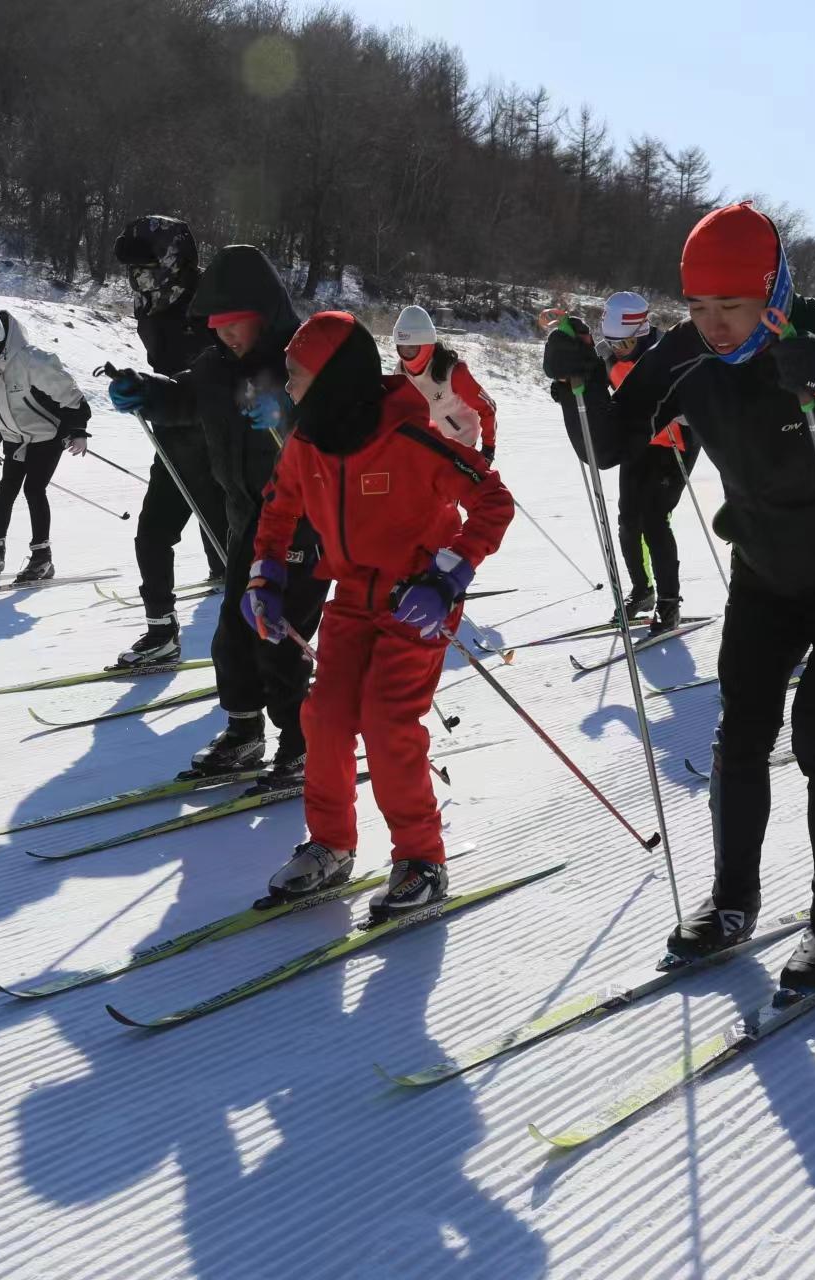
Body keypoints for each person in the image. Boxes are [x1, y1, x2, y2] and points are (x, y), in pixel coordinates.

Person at [542, 202, 815, 994]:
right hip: (766, 570)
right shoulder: (686, 355)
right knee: (740, 733)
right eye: (698, 307)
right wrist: (576, 383)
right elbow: (609, 445)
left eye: (733, 306)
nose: (714, 326)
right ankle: (731, 903)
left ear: (774, 292)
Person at [250, 312, 513, 919]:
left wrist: (449, 576)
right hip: (351, 597)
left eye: (296, 373)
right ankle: (331, 845)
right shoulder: (308, 443)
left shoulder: (409, 438)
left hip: (416, 600)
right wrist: (266, 578)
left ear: (333, 377)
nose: (288, 384)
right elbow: (278, 508)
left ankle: (422, 859)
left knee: (387, 720)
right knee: (325, 717)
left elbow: (493, 500)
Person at [106, 245, 324, 784]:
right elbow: (184, 398)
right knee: (232, 635)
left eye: (236, 323)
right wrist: (146, 393)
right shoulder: (214, 368)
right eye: (217, 325)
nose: (226, 335)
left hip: (302, 526)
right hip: (246, 522)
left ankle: (301, 744)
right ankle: (244, 732)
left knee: (279, 640)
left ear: (264, 315)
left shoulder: (303, 363)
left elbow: (341, 421)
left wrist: (289, 411)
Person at [108, 216, 229, 667]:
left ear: (174, 261)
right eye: (132, 269)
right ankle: (161, 633)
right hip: (174, 438)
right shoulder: (150, 305)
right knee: (152, 534)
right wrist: (146, 389)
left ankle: (266, 640)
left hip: (223, 440)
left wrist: (159, 392)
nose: (137, 278)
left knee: (233, 541)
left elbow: (220, 381)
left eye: (146, 267)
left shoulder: (213, 303)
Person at [0, 308, 91, 585]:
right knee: (6, 488)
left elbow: (70, 395)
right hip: (14, 437)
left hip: (47, 435)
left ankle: (42, 558)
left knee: (33, 489)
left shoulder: (31, 360)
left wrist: (78, 430)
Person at [600, 290, 688, 633]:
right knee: (628, 520)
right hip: (639, 441)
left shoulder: (669, 354)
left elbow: (701, 392)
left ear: (642, 332)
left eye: (623, 344)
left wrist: (683, 411)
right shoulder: (608, 355)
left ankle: (669, 603)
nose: (617, 349)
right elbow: (599, 388)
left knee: (654, 519)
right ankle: (642, 590)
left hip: (675, 443)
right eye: (612, 343)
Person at [391, 305, 498, 456]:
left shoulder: (454, 372)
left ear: (427, 345)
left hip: (460, 446)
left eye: (412, 347)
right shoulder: (400, 371)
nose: (406, 353)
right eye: (402, 347)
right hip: (426, 446)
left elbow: (488, 407)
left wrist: (488, 448)